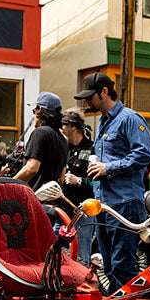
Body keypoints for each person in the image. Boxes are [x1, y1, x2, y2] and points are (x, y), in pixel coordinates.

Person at [77, 72, 150, 300]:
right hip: (106, 204)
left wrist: (108, 167)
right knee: (109, 266)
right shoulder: (104, 122)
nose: (88, 102)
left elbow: (145, 154)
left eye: (91, 96)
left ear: (105, 92)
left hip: (125, 203)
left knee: (124, 266)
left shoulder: (129, 118)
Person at [59, 109, 95, 264]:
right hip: (61, 211)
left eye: (63, 125)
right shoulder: (63, 148)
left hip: (83, 212)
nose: (61, 128)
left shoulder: (92, 149)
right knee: (57, 254)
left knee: (81, 257)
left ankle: (82, 287)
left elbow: (98, 182)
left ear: (72, 127)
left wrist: (78, 181)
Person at [14, 92, 67, 191]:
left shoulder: (40, 133)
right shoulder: (63, 140)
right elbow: (61, 179)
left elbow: (31, 168)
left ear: (39, 109)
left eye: (35, 110)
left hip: (34, 200)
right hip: (51, 202)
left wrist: (9, 184)